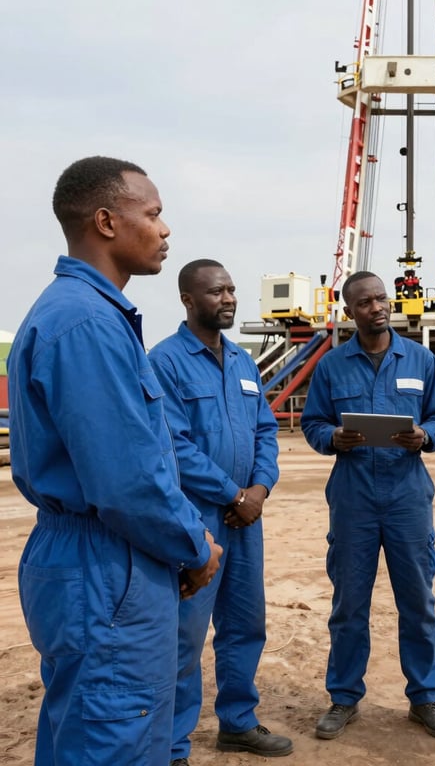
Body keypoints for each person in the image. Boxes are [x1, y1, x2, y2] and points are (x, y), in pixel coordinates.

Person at [8, 156, 223, 766]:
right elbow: (127, 481)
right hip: (104, 562)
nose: (164, 229)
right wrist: (194, 544)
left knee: (108, 728)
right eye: (152, 214)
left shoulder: (93, 315)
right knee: (112, 736)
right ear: (106, 221)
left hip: (107, 558)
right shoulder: (85, 325)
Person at [300, 270, 435, 740]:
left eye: (382, 298)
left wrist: (425, 436)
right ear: (350, 313)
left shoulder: (422, 360)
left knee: (418, 601)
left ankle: (425, 697)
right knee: (349, 602)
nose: (378, 307)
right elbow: (312, 424)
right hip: (353, 497)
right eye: (366, 302)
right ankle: (343, 697)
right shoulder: (331, 366)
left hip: (407, 494)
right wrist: (333, 437)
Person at [148, 260, 293, 764]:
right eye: (216, 292)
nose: (229, 299)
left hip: (245, 519)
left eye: (231, 290)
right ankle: (171, 744)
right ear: (188, 300)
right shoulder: (164, 361)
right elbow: (174, 445)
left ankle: (238, 721)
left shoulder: (243, 361)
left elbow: (266, 431)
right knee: (185, 633)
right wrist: (233, 495)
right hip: (196, 522)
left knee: (245, 624)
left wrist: (260, 489)